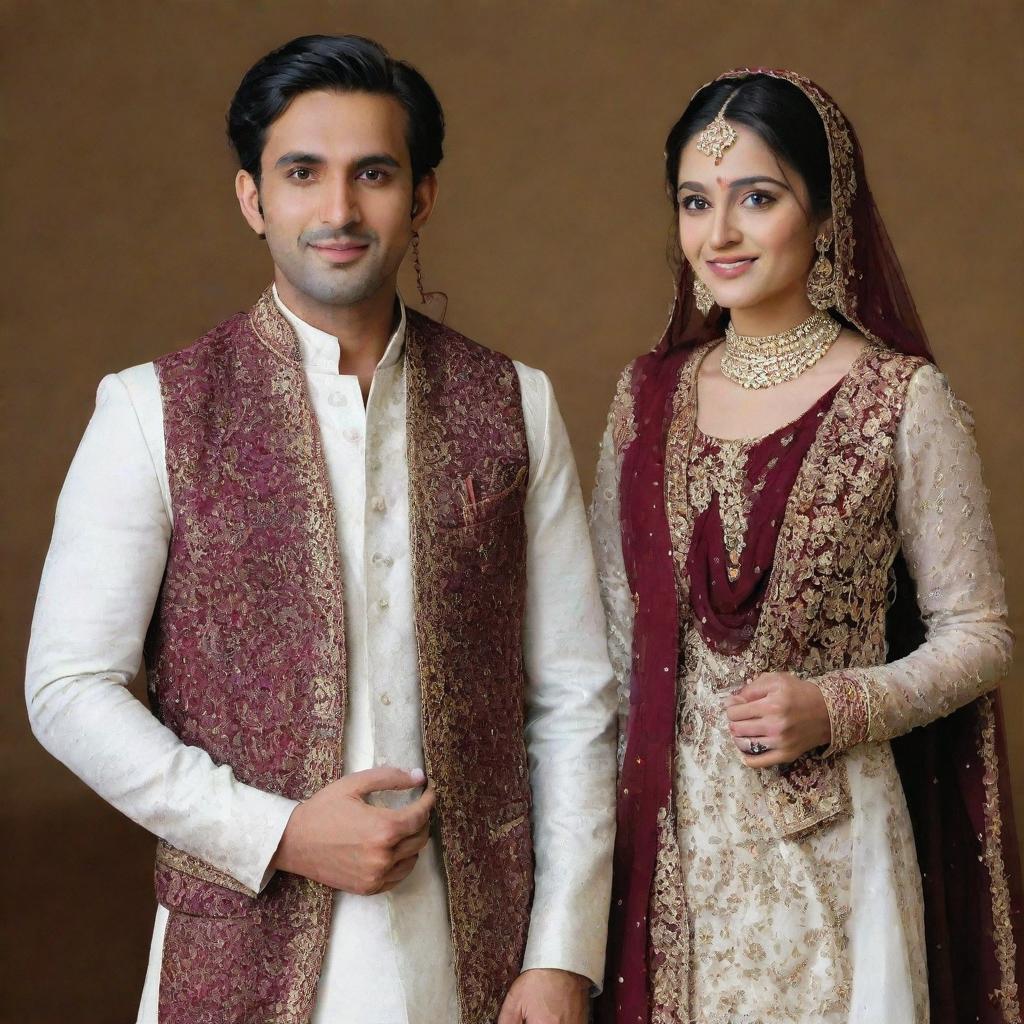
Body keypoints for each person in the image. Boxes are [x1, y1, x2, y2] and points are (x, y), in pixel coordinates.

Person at [26, 34, 616, 1024]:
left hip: (472, 954)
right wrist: (278, 831)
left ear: (421, 195)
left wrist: (562, 953)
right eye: (302, 174)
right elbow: (67, 687)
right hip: (240, 938)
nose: (337, 211)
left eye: (372, 175)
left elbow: (574, 696)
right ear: (253, 198)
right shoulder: (153, 409)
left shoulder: (513, 402)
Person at [590, 68, 1022, 1024]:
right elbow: (612, 651)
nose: (722, 234)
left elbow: (981, 631)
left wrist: (838, 704)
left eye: (758, 197)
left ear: (828, 214)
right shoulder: (646, 397)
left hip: (833, 851)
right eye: (696, 203)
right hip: (662, 854)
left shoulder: (900, 401)